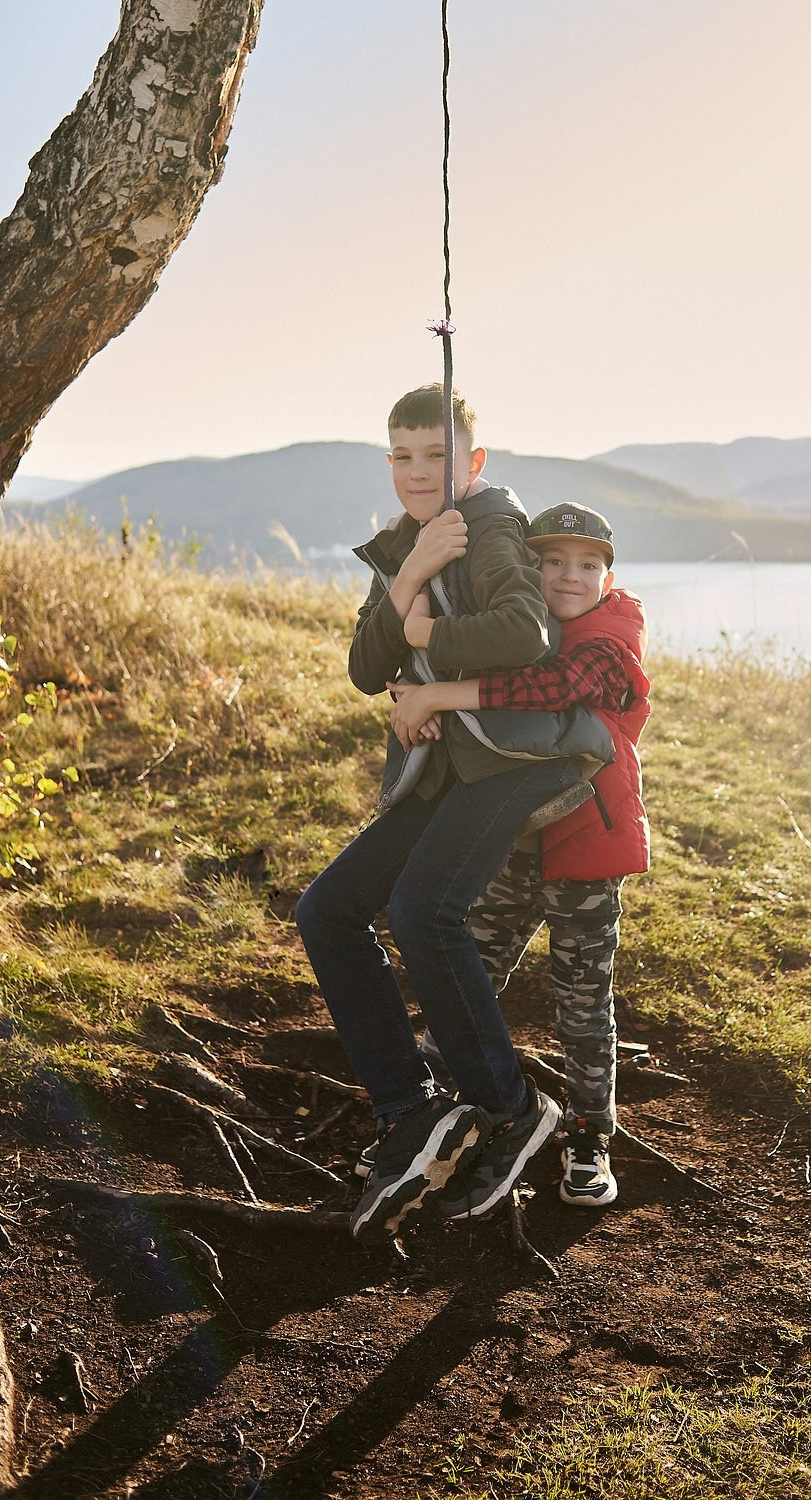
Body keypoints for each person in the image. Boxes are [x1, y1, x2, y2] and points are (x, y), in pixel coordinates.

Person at [294, 385, 609, 1245]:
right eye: (403, 455)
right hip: (446, 771)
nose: (417, 472)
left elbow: (522, 633)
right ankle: (413, 1110)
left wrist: (426, 644)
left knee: (422, 911)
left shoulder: (492, 525)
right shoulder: (404, 543)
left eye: (437, 455)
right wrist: (409, 574)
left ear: (472, 463)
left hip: (515, 754)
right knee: (326, 909)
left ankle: (513, 1110)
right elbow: (365, 667)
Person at [386, 503, 650, 1213]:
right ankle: (445, 1116)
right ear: (528, 568)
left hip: (587, 847)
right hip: (514, 837)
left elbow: (553, 692)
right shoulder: (516, 628)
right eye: (551, 561)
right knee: (471, 966)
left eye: (587, 564)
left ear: (608, 574)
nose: (569, 576)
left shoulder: (612, 633)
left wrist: (441, 688)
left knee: (581, 999)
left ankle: (590, 1136)